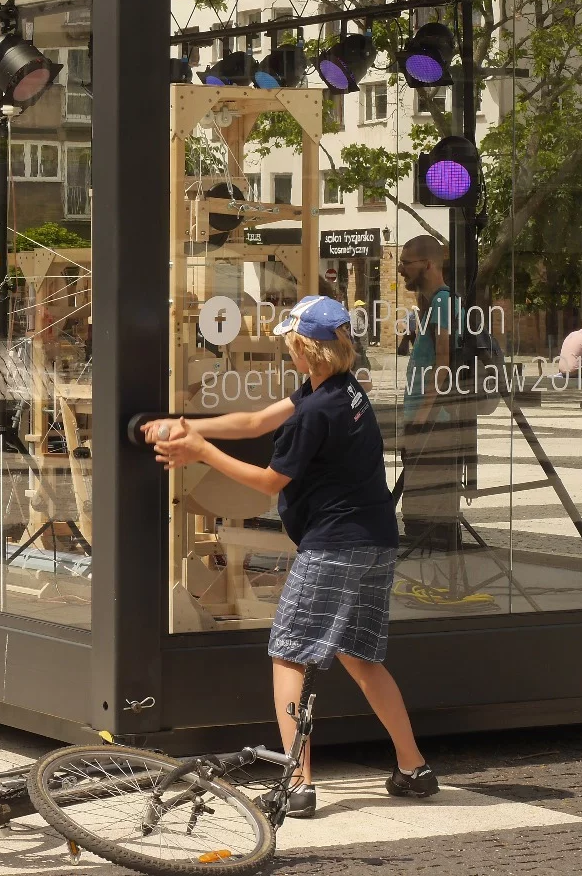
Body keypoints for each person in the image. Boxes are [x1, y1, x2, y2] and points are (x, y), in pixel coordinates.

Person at [143, 295, 439, 819]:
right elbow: (257, 422)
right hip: (375, 541)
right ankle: (413, 768)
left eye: (290, 345)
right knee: (362, 658)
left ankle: (297, 785)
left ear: (307, 349)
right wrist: (188, 424)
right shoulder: (341, 393)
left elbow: (266, 482)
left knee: (289, 655)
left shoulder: (316, 412)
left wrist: (198, 453)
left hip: (335, 546)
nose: (286, 353)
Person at [398, 235, 464, 552]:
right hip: (429, 420)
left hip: (431, 422)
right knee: (424, 508)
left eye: (406, 263)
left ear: (427, 264)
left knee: (423, 511)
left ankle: (429, 573)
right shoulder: (435, 303)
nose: (400, 269)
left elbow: (443, 364)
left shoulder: (442, 301)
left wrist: (421, 420)